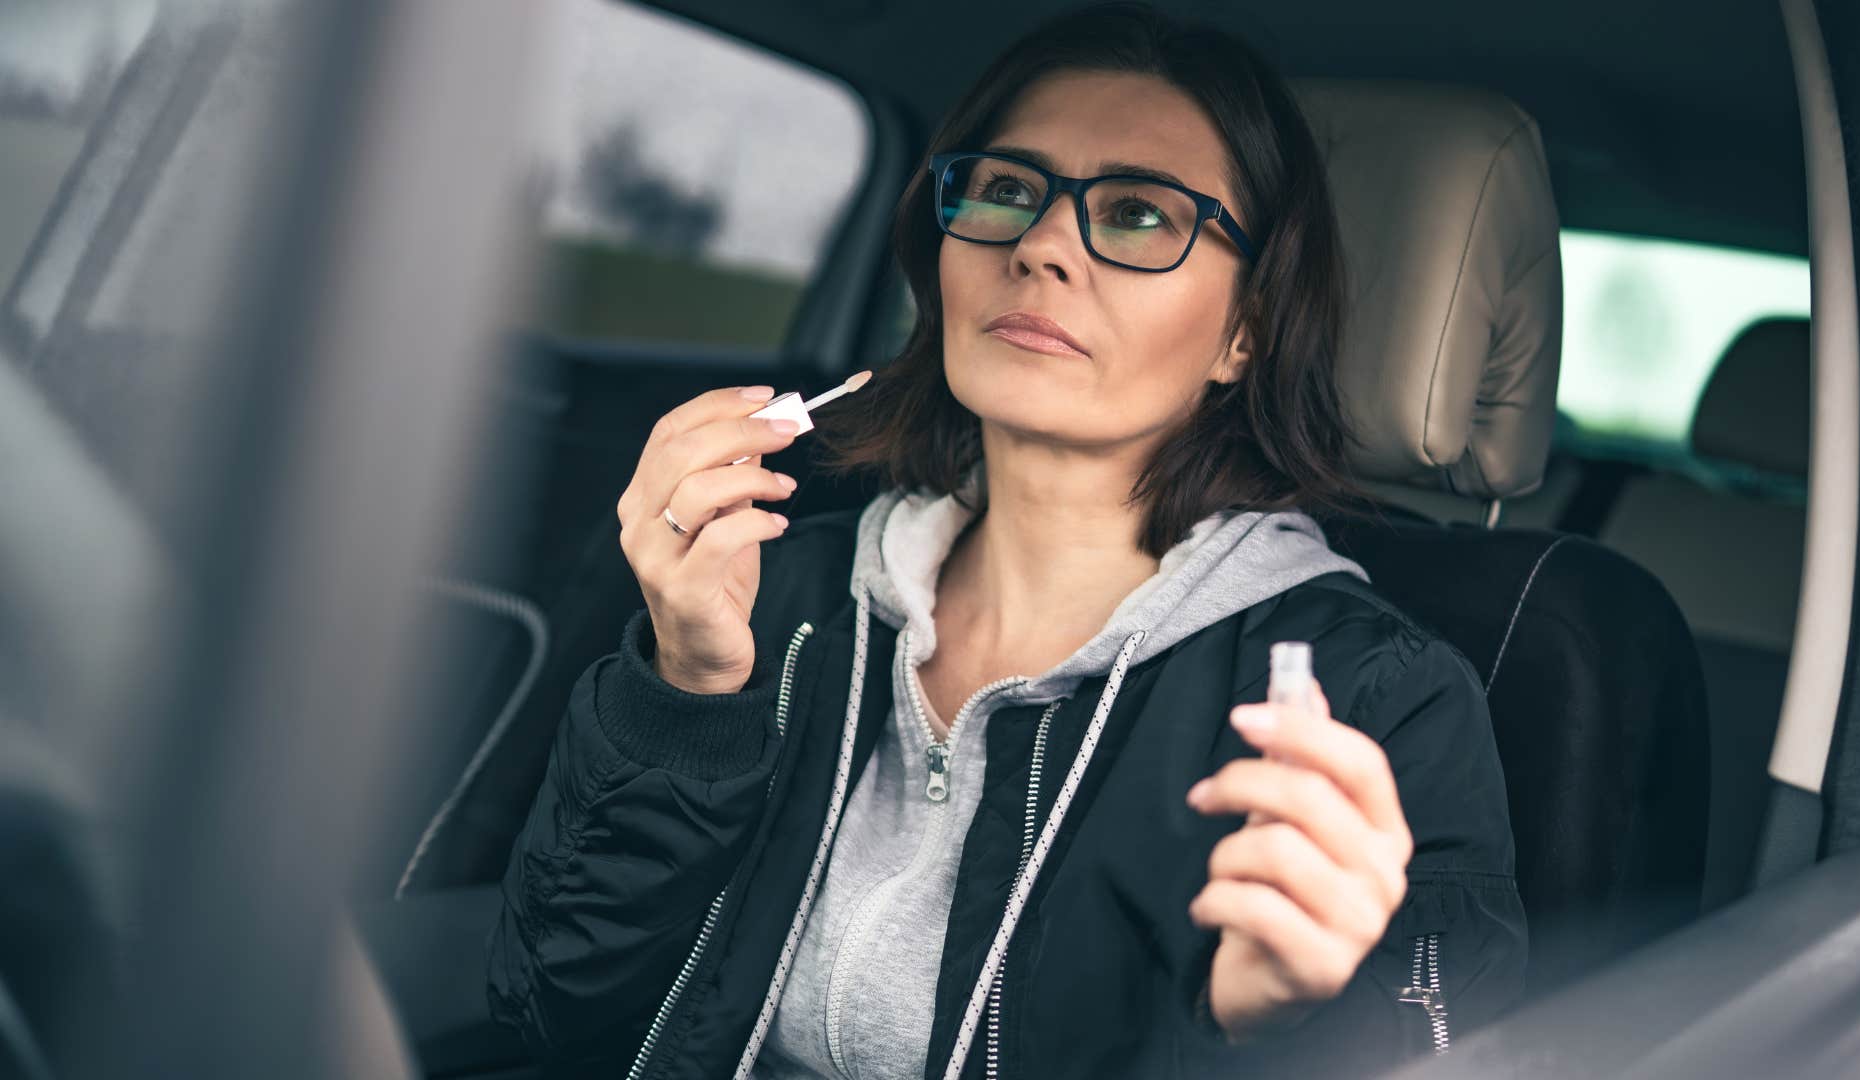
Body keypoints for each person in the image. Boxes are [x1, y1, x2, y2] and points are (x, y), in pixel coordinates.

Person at [487, 3, 1525, 1077]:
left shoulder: (1371, 699)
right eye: (1004, 190)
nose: (1039, 247)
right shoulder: (771, 590)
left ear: (1244, 330)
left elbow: (1455, 1044)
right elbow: (552, 1014)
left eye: (1136, 214)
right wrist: (689, 692)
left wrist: (1286, 1026)